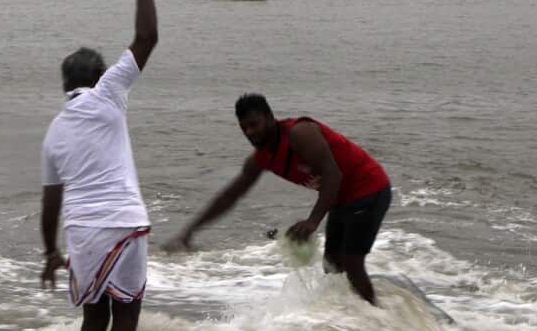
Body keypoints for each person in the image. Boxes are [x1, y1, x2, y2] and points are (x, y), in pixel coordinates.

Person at [39, 0, 157, 331]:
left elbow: (50, 203)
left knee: (94, 319)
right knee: (126, 317)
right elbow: (147, 39)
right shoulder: (110, 92)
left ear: (65, 85)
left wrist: (50, 252)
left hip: (83, 235)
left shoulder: (54, 131)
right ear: (98, 77)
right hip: (124, 224)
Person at [165, 95, 392, 305]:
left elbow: (333, 174)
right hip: (342, 199)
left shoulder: (299, 134)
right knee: (332, 266)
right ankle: (356, 320)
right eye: (244, 128)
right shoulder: (262, 158)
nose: (250, 132)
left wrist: (312, 221)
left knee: (352, 263)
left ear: (270, 118)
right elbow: (229, 196)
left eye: (254, 124)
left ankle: (379, 318)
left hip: (370, 188)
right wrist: (189, 231)